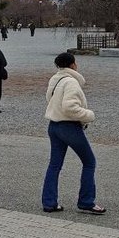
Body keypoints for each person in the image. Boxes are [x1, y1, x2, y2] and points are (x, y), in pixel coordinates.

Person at [41, 52, 105, 215]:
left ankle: (49, 202)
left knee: (54, 165)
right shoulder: (71, 82)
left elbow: (50, 99)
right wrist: (89, 115)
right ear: (72, 64)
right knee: (89, 162)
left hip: (53, 125)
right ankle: (86, 201)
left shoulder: (55, 79)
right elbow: (70, 107)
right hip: (68, 127)